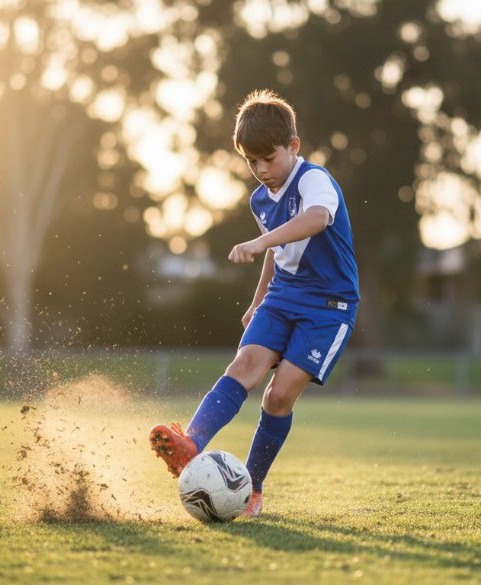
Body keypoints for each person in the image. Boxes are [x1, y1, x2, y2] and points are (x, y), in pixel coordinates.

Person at [149, 88, 360, 518]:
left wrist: (260, 239)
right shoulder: (260, 200)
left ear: (294, 147)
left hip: (329, 306)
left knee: (278, 397)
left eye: (269, 158)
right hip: (283, 297)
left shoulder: (313, 179)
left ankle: (253, 489)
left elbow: (316, 219)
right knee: (243, 367)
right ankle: (191, 442)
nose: (261, 170)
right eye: (251, 162)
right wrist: (257, 300)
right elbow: (278, 253)